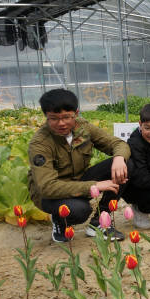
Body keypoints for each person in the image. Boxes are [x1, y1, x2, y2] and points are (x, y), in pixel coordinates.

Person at [28, 88, 130, 242]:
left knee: (128, 163)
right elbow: (47, 187)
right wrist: (95, 186)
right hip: (49, 194)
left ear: (76, 113)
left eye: (66, 117)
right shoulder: (40, 143)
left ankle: (100, 222)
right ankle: (60, 221)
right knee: (79, 210)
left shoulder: (83, 128)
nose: (61, 123)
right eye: (54, 118)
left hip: (78, 180)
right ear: (46, 117)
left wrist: (119, 159)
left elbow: (117, 144)